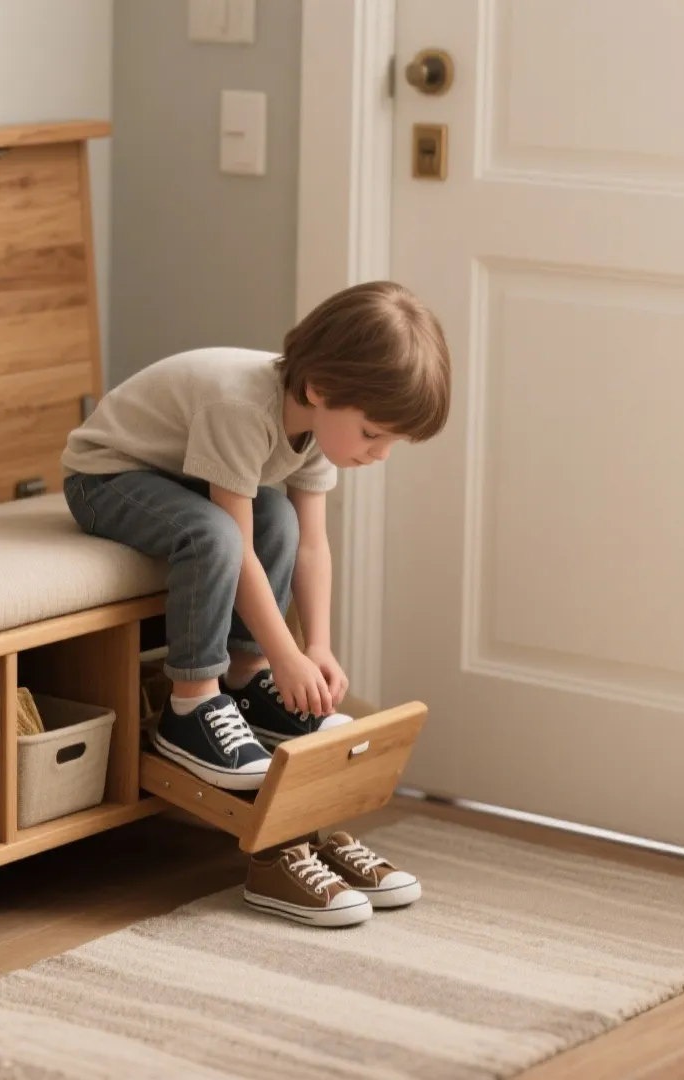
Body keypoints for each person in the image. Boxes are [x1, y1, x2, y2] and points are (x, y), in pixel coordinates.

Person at [60, 280, 452, 927]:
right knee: (214, 533)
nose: (378, 455)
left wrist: (317, 646)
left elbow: (311, 548)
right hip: (107, 478)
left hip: (180, 472)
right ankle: (191, 705)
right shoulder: (240, 405)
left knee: (281, 518)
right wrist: (285, 654)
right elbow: (232, 545)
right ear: (322, 390)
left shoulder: (315, 427)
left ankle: (243, 686)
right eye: (374, 434)